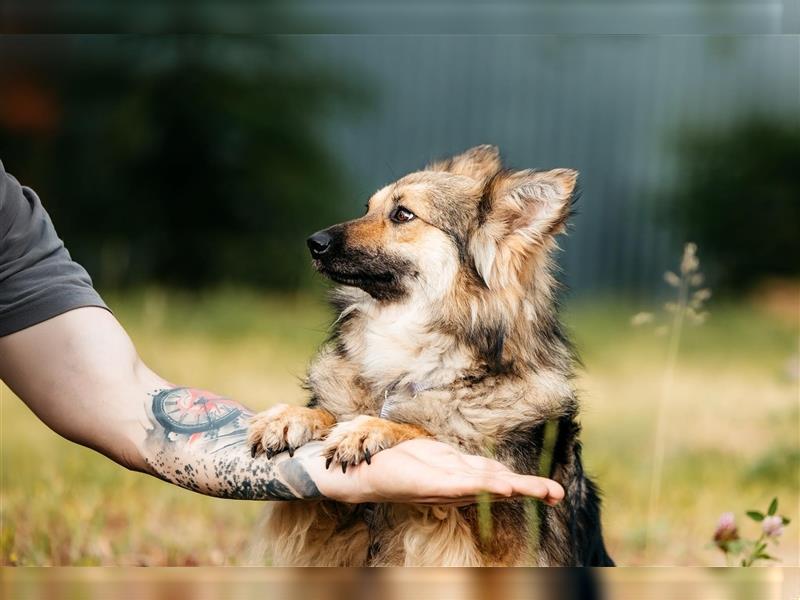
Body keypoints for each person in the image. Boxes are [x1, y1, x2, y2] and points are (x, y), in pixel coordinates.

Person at [0, 159, 564, 509]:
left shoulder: (11, 223)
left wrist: (395, 437)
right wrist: (319, 428)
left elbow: (118, 395)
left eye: (399, 217)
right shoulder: (351, 382)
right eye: (372, 210)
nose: (342, 235)